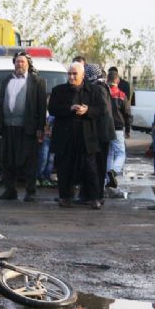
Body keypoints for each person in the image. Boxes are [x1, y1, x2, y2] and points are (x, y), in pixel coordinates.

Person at [48, 62, 104, 209]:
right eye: (70, 74)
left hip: (86, 136)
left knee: (90, 168)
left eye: (75, 74)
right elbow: (52, 109)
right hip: (65, 136)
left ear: (83, 76)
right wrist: (69, 108)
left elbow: (100, 110)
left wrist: (87, 110)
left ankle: (94, 198)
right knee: (64, 168)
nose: (72, 77)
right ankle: (65, 197)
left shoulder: (94, 91)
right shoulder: (58, 90)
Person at [0, 51, 47, 202]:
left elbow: (41, 107)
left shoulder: (37, 82)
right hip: (8, 127)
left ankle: (31, 191)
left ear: (28, 64)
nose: (20, 64)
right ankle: (10, 190)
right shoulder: (6, 81)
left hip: (27, 128)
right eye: (17, 62)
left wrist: (40, 128)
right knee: (7, 160)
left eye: (23, 62)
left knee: (30, 161)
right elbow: (1, 104)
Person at [84, 63, 115, 205]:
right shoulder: (102, 86)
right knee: (97, 165)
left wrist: (87, 110)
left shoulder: (98, 88)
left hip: (100, 133)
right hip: (103, 132)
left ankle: (97, 196)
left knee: (97, 165)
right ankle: (95, 195)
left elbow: (102, 109)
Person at [106, 70, 132, 188]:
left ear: (107, 79)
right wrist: (127, 129)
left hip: (105, 128)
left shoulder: (104, 93)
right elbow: (127, 114)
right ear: (117, 80)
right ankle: (114, 171)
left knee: (109, 153)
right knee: (121, 153)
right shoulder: (122, 95)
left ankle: (108, 180)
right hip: (118, 128)